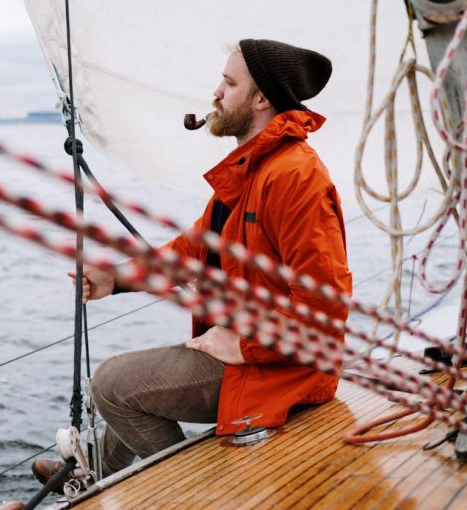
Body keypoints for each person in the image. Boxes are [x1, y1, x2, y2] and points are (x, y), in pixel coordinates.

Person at [32, 38, 353, 490]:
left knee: (112, 385)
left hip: (280, 368)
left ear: (261, 99)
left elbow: (325, 308)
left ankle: (197, 490)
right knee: (132, 400)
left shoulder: (295, 177)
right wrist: (117, 279)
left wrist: (243, 345)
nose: (216, 93)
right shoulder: (251, 170)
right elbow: (192, 250)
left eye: (228, 82)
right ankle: (98, 483)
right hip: (256, 353)